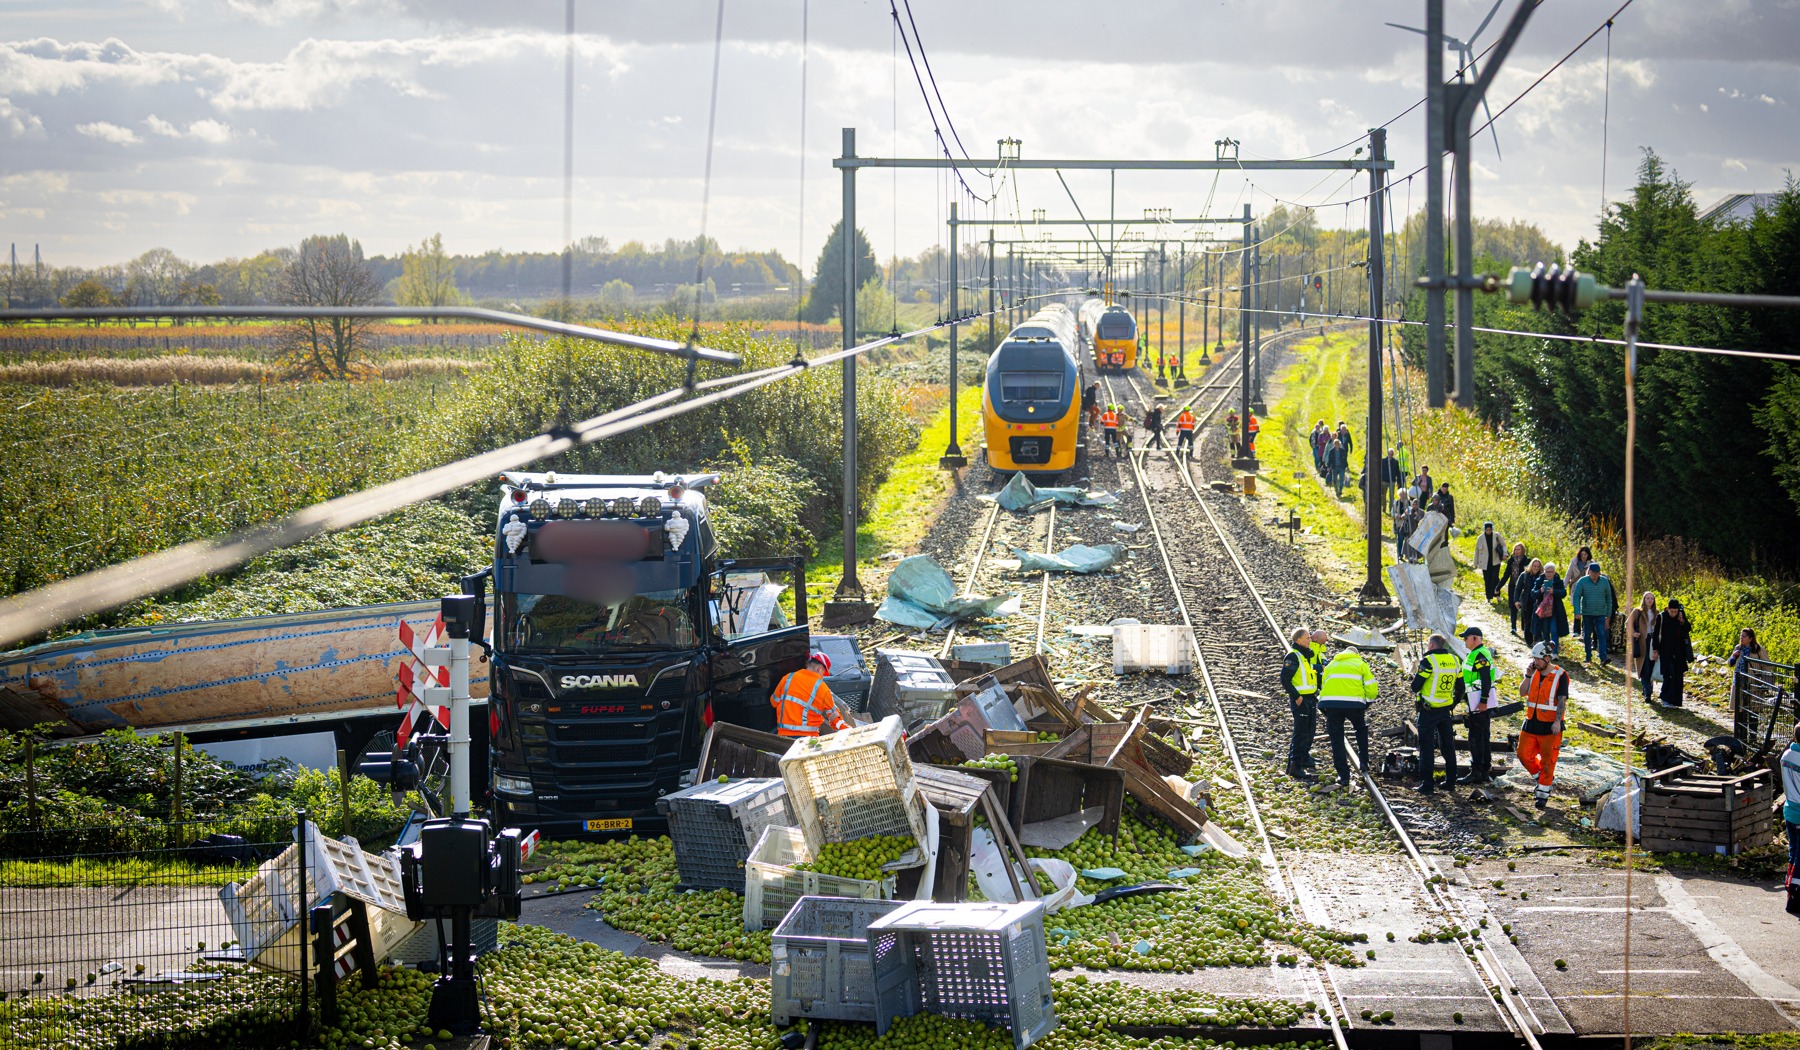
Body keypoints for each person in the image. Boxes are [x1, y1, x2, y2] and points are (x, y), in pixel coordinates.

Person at [1317, 644, 1379, 793]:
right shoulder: (1360, 664)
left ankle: (1343, 775)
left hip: (1331, 705)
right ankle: (1364, 762)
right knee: (1360, 729)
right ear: (1356, 654)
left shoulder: (1331, 664)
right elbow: (1371, 687)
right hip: (1354, 704)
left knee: (1337, 739)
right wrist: (1367, 702)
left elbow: (1323, 684)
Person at [1517, 642, 1569, 809]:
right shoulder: (1534, 673)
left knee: (1548, 761)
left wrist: (1557, 721)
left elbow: (1562, 700)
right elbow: (1522, 692)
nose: (1535, 662)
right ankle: (1541, 777)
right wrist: (1528, 675)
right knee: (1523, 754)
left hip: (1549, 725)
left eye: (1538, 659)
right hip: (1531, 722)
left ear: (1547, 658)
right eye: (1534, 658)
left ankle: (1542, 796)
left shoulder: (1561, 675)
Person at [1410, 633, 1463, 794]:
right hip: (1445, 710)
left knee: (1426, 747)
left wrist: (1415, 677)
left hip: (1428, 710)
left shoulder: (1429, 662)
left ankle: (1427, 784)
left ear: (1432, 645)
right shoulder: (1455, 661)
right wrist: (1452, 702)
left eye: (1428, 644)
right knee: (1448, 745)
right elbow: (1461, 687)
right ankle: (1450, 781)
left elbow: (1415, 686)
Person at [771, 650, 850, 737]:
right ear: (819, 669)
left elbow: (773, 702)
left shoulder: (788, 678)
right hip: (807, 739)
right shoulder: (822, 688)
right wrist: (850, 731)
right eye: (823, 673)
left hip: (783, 735)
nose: (822, 677)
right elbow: (835, 720)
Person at [1458, 627, 1498, 784]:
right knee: (1482, 736)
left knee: (1476, 737)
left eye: (1466, 638)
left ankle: (1477, 771)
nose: (1464, 641)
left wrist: (1483, 701)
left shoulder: (1480, 655)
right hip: (1476, 700)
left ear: (1474, 638)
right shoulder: (1476, 654)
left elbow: (1486, 679)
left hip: (1479, 702)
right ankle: (1483, 771)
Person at [1280, 627, 1320, 782]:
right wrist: (1297, 697)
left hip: (1309, 698)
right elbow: (1285, 679)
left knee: (1309, 731)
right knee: (1301, 733)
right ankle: (1295, 767)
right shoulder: (1294, 656)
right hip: (1301, 699)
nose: (1310, 640)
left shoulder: (1304, 656)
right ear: (1298, 640)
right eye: (1307, 638)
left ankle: (1303, 758)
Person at [1570, 560, 1617, 664]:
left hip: (1600, 613)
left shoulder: (1604, 581)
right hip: (1587, 613)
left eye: (1597, 573)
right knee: (1587, 635)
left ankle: (1603, 657)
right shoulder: (1583, 581)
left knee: (1601, 634)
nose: (1595, 575)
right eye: (1593, 573)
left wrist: (1608, 615)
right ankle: (1588, 656)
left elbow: (1609, 598)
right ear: (1589, 571)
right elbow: (1576, 596)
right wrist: (1577, 611)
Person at [1656, 598, 1694, 708]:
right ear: (1668, 609)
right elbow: (1656, 634)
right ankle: (1665, 698)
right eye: (1672, 611)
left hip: (1679, 651)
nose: (1673, 614)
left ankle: (1676, 701)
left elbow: (1688, 628)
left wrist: (1682, 621)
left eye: (1675, 611)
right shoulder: (1662, 617)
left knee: (1678, 675)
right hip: (1666, 651)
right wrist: (1655, 649)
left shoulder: (1680, 616)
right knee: (1669, 674)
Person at [1780, 723, 1800, 917]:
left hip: (1790, 810)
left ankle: (1790, 890)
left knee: (1793, 853)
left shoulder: (1786, 756)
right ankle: (1795, 895)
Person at [1628, 592, 1660, 703]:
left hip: (1653, 641)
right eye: (1647, 598)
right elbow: (1628, 623)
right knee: (1643, 666)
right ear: (1644, 599)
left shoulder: (1657, 613)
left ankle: (1647, 690)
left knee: (1651, 666)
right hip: (1642, 641)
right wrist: (1633, 633)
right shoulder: (1638, 612)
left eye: (1652, 598)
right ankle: (1648, 692)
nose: (1650, 600)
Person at [1531, 560, 1568, 654]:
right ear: (1544, 571)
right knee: (1545, 631)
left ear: (1554, 572)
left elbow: (1563, 593)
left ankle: (1555, 652)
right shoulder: (1540, 580)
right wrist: (1541, 591)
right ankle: (1547, 652)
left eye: (1551, 572)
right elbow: (1533, 593)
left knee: (1554, 630)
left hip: (1555, 610)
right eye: (1547, 571)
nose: (1549, 574)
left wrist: (1554, 591)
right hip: (1542, 611)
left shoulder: (1558, 581)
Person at [1473, 523, 1508, 601]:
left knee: (1495, 578)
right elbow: (1477, 551)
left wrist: (1505, 553)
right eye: (1487, 530)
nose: (1488, 531)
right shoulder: (1480, 538)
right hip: (1485, 562)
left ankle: (1497, 594)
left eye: (1490, 530)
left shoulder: (1496, 535)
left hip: (1495, 560)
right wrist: (1475, 562)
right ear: (1484, 529)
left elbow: (1503, 545)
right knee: (1487, 579)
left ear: (1492, 529)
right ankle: (1488, 597)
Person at [1504, 544, 1532, 635]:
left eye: (1518, 549)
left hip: (1523, 587)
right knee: (1513, 606)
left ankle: (1524, 628)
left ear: (1522, 550)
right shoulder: (1511, 560)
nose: (1516, 551)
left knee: (1524, 607)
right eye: (1515, 549)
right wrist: (1498, 587)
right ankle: (1513, 626)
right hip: (1512, 586)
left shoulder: (1527, 561)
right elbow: (1506, 574)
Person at [1516, 558, 1545, 642]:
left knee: (1537, 622)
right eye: (1534, 566)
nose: (1536, 568)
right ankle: (1529, 641)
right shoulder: (1524, 575)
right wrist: (1516, 600)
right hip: (1526, 602)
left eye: (1538, 566)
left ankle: (1537, 639)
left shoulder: (1542, 576)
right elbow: (1518, 588)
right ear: (1531, 566)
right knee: (1527, 622)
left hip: (1538, 603)